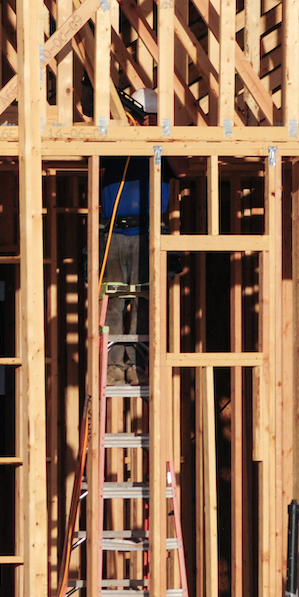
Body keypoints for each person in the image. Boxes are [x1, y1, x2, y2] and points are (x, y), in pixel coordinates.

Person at [100, 88, 188, 386]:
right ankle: (113, 366)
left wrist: (159, 138)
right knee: (112, 303)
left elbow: (183, 170)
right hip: (114, 233)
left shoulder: (160, 144)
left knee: (143, 304)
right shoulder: (117, 138)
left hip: (149, 235)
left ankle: (137, 365)